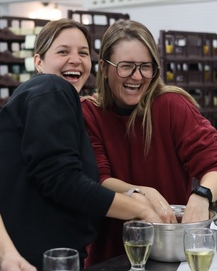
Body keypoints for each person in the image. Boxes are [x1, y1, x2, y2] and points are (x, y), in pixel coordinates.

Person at [0, 18, 176, 271]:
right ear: (39, 62)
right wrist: (141, 211)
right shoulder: (51, 88)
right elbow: (61, 179)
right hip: (38, 260)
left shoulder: (55, 103)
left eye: (83, 53)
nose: (75, 59)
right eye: (63, 51)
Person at [81, 19, 217, 266]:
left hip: (170, 257)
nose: (137, 76)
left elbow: (213, 162)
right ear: (103, 66)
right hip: (110, 256)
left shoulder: (172, 106)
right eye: (126, 67)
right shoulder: (89, 113)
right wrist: (142, 192)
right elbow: (98, 180)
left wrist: (202, 194)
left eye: (146, 66)